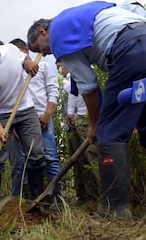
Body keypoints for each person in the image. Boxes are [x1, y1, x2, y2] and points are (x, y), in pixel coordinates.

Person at [27, 1, 146, 217]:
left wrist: (95, 123)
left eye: (40, 48)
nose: (47, 53)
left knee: (109, 131)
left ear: (43, 31)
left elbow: (87, 85)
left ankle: (115, 210)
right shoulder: (89, 11)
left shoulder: (58, 33)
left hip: (133, 48)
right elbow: (137, 12)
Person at [0, 25, 45, 210]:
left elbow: (24, 59)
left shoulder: (11, 50)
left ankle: (37, 202)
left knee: (36, 155)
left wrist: (27, 62)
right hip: (0, 113)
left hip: (25, 109)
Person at [10, 38, 61, 205]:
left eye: (19, 53)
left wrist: (48, 114)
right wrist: (15, 126)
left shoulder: (44, 67)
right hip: (22, 122)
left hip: (42, 118)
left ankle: (56, 200)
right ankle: (26, 202)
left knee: (50, 158)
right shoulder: (13, 73)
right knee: (23, 163)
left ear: (26, 50)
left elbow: (53, 89)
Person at [57, 60, 101, 204]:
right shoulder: (73, 77)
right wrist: (70, 113)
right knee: (79, 160)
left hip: (89, 118)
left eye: (61, 64)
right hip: (77, 119)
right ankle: (84, 196)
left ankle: (97, 197)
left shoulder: (91, 68)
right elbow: (73, 94)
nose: (60, 68)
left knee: (90, 158)